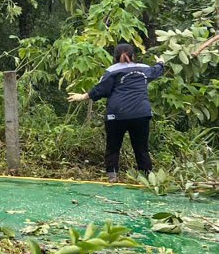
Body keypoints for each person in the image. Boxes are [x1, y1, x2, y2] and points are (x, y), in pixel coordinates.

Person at [67, 42, 166, 182]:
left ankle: (112, 175)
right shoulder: (144, 69)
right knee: (141, 148)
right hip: (141, 114)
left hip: (116, 115)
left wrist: (82, 96)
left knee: (113, 146)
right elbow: (157, 70)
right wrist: (161, 62)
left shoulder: (112, 71)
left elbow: (101, 89)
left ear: (115, 57)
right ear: (133, 55)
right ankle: (147, 178)